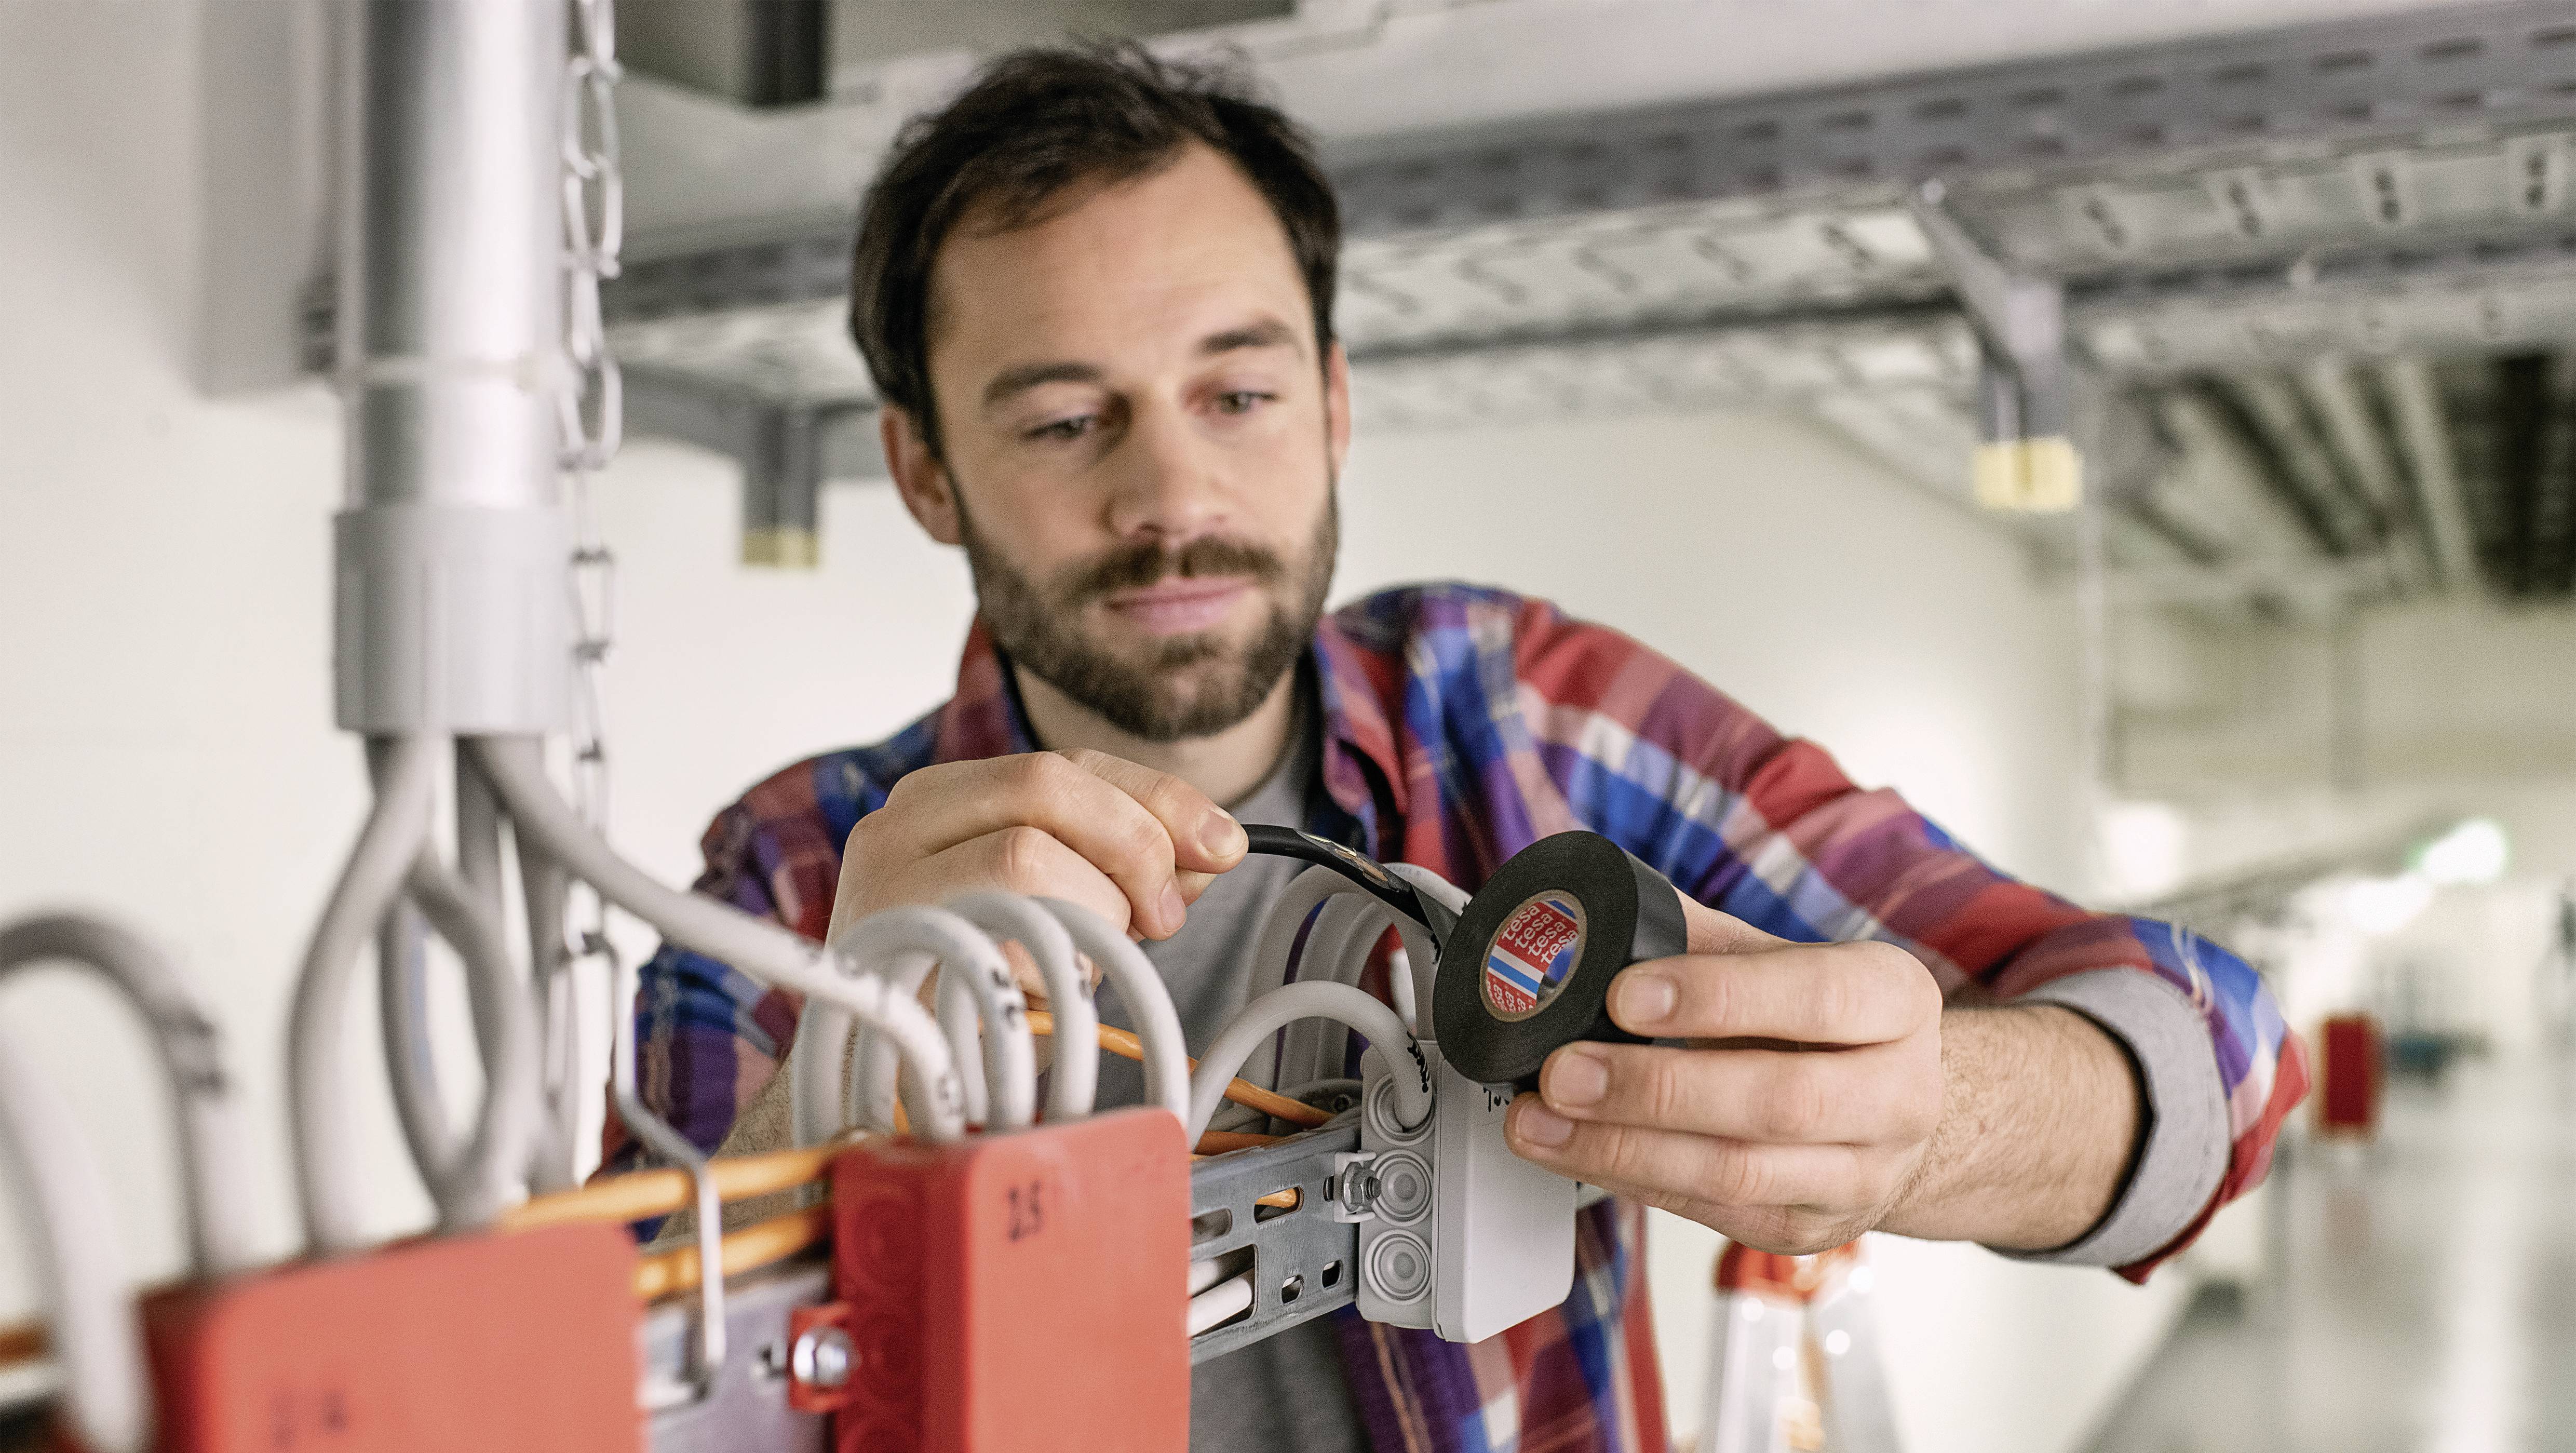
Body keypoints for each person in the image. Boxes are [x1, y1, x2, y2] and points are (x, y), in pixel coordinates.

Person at [616, 44, 2308, 1453]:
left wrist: (1928, 1121)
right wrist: (821, 1103)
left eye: (1240, 394)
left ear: (1336, 406)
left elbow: (2222, 1065)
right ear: (923, 472)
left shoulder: (1519, 723)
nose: (1173, 499)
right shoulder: (801, 868)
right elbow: (622, 1379)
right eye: (1064, 421)